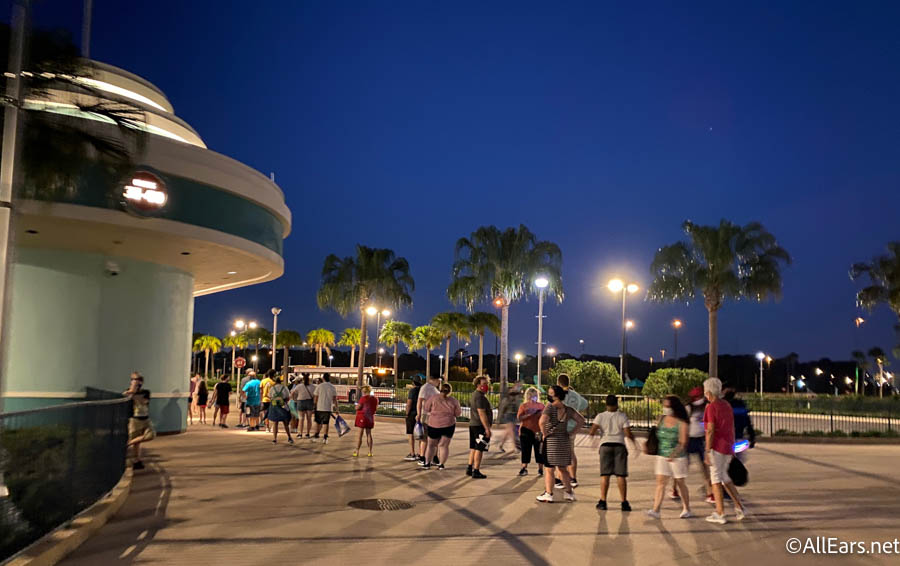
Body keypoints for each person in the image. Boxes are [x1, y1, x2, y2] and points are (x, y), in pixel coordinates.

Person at [703, 377, 746, 524]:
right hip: (728, 446)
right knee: (725, 478)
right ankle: (739, 507)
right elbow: (731, 427)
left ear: (708, 392)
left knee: (715, 479)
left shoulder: (711, 407)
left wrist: (707, 451)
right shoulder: (726, 405)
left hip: (717, 447)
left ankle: (720, 513)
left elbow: (710, 430)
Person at [646, 395, 693, 519]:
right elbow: (656, 435)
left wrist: (674, 454)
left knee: (680, 482)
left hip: (678, 457)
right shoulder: (661, 419)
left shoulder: (682, 423)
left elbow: (683, 442)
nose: (665, 408)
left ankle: (686, 508)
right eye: (664, 405)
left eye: (667, 406)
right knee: (660, 483)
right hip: (662, 455)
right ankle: (656, 509)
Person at [589, 394, 637, 511]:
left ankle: (603, 501)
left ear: (606, 404)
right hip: (619, 445)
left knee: (605, 475)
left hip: (605, 445)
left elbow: (592, 431)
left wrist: (595, 440)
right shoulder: (622, 416)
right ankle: (624, 502)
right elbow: (628, 433)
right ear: (617, 404)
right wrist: (634, 443)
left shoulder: (600, 416)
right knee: (621, 475)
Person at [536, 386, 584, 502]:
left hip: (552, 441)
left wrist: (544, 433)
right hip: (564, 440)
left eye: (550, 393)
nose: (548, 395)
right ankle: (569, 493)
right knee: (563, 469)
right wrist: (572, 432)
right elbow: (581, 420)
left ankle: (549, 493)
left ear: (555, 395)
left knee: (549, 469)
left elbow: (542, 422)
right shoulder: (568, 409)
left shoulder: (550, 407)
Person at [555, 373, 588, 488]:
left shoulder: (558, 395)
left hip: (560, 428)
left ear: (558, 383)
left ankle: (559, 479)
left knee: (559, 454)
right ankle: (573, 478)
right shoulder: (576, 395)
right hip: (572, 428)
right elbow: (585, 404)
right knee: (571, 453)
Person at [421, 382, 461, 470]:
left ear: (440, 389)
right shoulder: (454, 401)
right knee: (444, 446)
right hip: (449, 425)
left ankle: (427, 463)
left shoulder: (433, 398)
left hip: (434, 424)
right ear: (450, 391)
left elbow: (426, 408)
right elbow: (458, 414)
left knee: (431, 445)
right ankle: (441, 464)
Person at [684, 386, 713, 503]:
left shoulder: (703, 407)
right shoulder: (693, 407)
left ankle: (710, 492)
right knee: (686, 467)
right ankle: (710, 493)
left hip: (698, 439)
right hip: (693, 439)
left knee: (703, 467)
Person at [124, 372, 153, 470]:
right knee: (137, 443)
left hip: (145, 418)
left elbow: (144, 401)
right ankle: (137, 460)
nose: (135, 382)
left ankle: (127, 444)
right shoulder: (128, 392)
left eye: (137, 380)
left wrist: (135, 392)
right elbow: (125, 398)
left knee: (151, 435)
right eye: (133, 380)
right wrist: (131, 391)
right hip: (134, 419)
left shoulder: (146, 392)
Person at [466, 376, 493, 479]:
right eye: (484, 384)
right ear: (478, 385)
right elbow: (482, 413)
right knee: (479, 448)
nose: (486, 386)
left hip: (473, 424)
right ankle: (476, 470)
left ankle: (469, 467)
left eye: (487, 384)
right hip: (479, 426)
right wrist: (487, 428)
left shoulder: (475, 395)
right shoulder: (480, 397)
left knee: (473, 447)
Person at [517, 386, 545, 477]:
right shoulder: (524, 406)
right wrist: (529, 414)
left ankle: (540, 468)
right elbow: (519, 418)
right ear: (528, 396)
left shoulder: (541, 406)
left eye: (535, 395)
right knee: (526, 450)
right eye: (532, 395)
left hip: (538, 430)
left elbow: (545, 417)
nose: (534, 397)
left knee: (539, 450)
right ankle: (524, 467)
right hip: (526, 429)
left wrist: (540, 414)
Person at [724, 389, 756, 463]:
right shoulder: (741, 405)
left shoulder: (724, 406)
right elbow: (748, 423)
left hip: (727, 440)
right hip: (739, 438)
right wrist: (752, 437)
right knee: (740, 461)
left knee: (727, 462)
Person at [416, 375, 441, 465]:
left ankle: (434, 457)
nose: (439, 382)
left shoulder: (434, 389)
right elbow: (419, 401)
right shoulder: (425, 387)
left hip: (435, 416)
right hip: (426, 416)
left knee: (435, 438)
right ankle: (422, 457)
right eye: (439, 380)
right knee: (425, 438)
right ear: (434, 379)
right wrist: (419, 414)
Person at [496, 381, 523, 453]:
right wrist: (498, 419)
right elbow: (502, 409)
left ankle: (501, 445)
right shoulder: (506, 399)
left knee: (508, 432)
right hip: (508, 415)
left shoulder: (516, 397)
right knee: (511, 431)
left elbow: (518, 407)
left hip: (514, 415)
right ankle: (514, 447)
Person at [353, 385, 379, 457]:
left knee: (360, 435)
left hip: (362, 417)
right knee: (369, 434)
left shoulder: (363, 398)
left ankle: (357, 451)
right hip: (370, 418)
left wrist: (356, 406)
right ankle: (370, 451)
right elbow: (376, 408)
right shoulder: (375, 399)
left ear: (364, 392)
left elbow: (358, 407)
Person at [268, 376, 293, 444]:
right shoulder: (284, 387)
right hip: (283, 406)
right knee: (285, 423)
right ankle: (289, 437)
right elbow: (288, 397)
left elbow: (270, 396)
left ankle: (274, 439)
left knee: (275, 423)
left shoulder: (272, 388)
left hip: (274, 406)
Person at [313, 373, 338, 444]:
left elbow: (316, 397)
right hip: (328, 407)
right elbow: (334, 399)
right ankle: (325, 438)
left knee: (318, 422)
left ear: (323, 378)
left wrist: (314, 405)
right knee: (326, 423)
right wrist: (336, 409)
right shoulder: (332, 387)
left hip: (319, 407)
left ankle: (316, 436)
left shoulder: (319, 386)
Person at [291, 373, 315, 439]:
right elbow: (315, 395)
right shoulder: (313, 386)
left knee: (301, 419)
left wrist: (294, 399)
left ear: (303, 380)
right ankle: (307, 434)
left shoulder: (299, 386)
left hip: (300, 402)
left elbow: (292, 393)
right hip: (309, 402)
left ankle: (300, 434)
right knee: (309, 419)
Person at [404, 376, 423, 461]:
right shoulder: (423, 390)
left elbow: (409, 403)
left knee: (410, 433)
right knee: (420, 434)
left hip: (412, 413)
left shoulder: (413, 391)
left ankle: (412, 453)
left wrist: (406, 413)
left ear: (413, 382)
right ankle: (420, 453)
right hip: (421, 414)